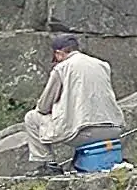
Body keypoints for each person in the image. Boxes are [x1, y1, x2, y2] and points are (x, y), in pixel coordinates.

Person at [23, 32, 125, 174]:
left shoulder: (62, 68)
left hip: (85, 132)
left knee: (31, 118)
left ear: (58, 54)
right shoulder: (102, 65)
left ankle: (48, 165)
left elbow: (43, 107)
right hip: (114, 129)